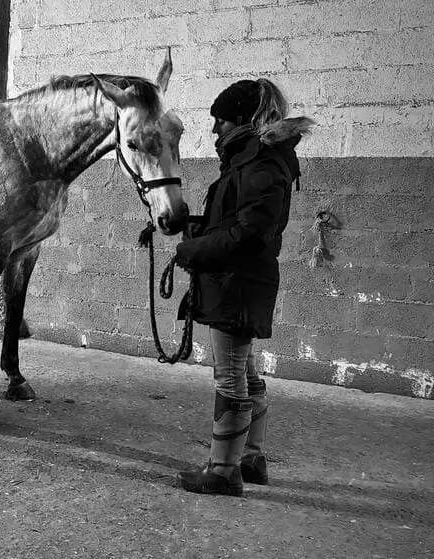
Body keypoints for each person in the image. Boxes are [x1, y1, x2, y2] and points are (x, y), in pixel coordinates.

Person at [174, 79, 314, 496]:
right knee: (245, 373)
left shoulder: (260, 164)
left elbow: (250, 235)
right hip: (238, 282)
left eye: (220, 120)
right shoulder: (253, 160)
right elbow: (235, 223)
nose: (214, 129)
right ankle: (251, 458)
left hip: (237, 284)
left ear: (240, 120)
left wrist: (191, 251)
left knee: (230, 377)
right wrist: (194, 229)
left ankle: (223, 470)